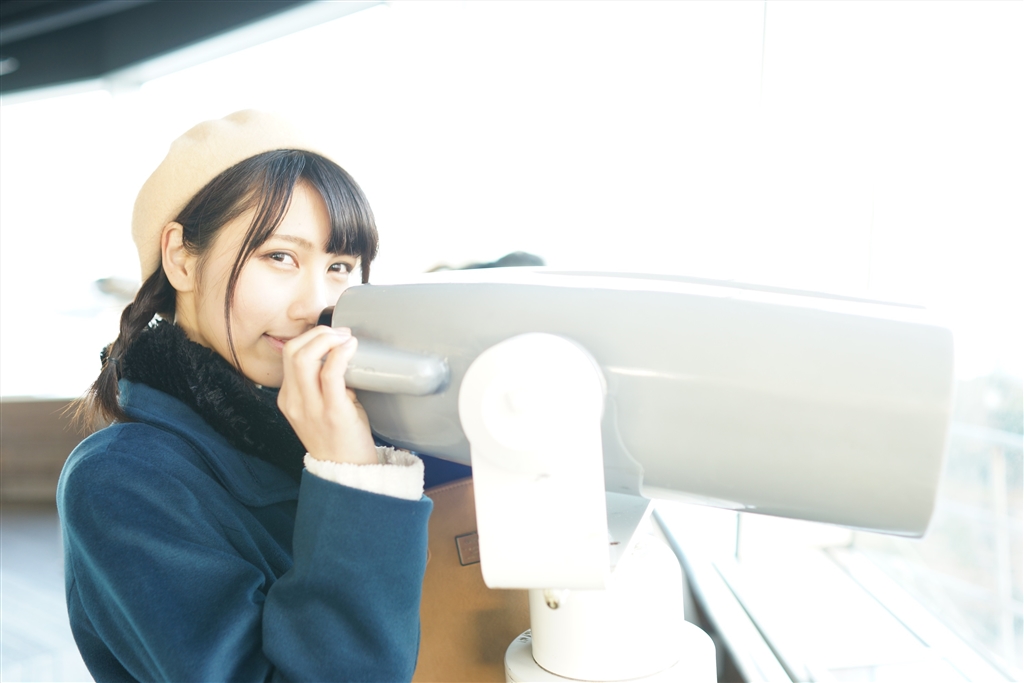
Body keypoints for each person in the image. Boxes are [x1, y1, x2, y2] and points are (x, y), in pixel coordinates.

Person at [58, 110, 432, 682]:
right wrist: (353, 480)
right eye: (280, 257)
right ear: (181, 258)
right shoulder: (121, 478)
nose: (315, 303)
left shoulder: (361, 422)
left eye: (339, 266)